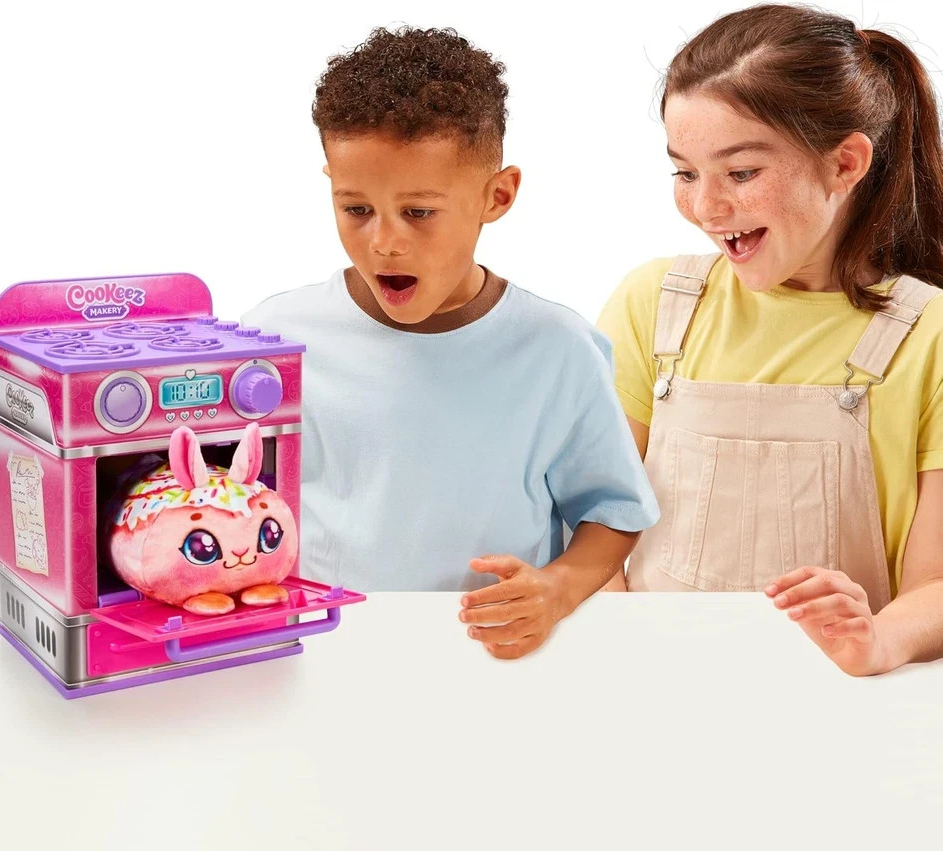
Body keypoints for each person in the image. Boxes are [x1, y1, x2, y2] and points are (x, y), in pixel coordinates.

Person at [242, 26, 659, 659]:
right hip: (318, 659)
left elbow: (613, 512)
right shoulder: (275, 338)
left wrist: (557, 590)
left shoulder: (559, 350)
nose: (385, 242)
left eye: (419, 212)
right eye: (356, 209)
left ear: (498, 195)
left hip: (493, 661)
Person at [598, 3, 943, 676]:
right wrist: (626, 650)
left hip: (840, 703)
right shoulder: (655, 306)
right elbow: (592, 533)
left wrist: (879, 639)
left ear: (845, 163)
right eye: (685, 173)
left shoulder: (927, 335)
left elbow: (934, 586)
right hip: (657, 684)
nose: (706, 208)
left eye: (741, 172)